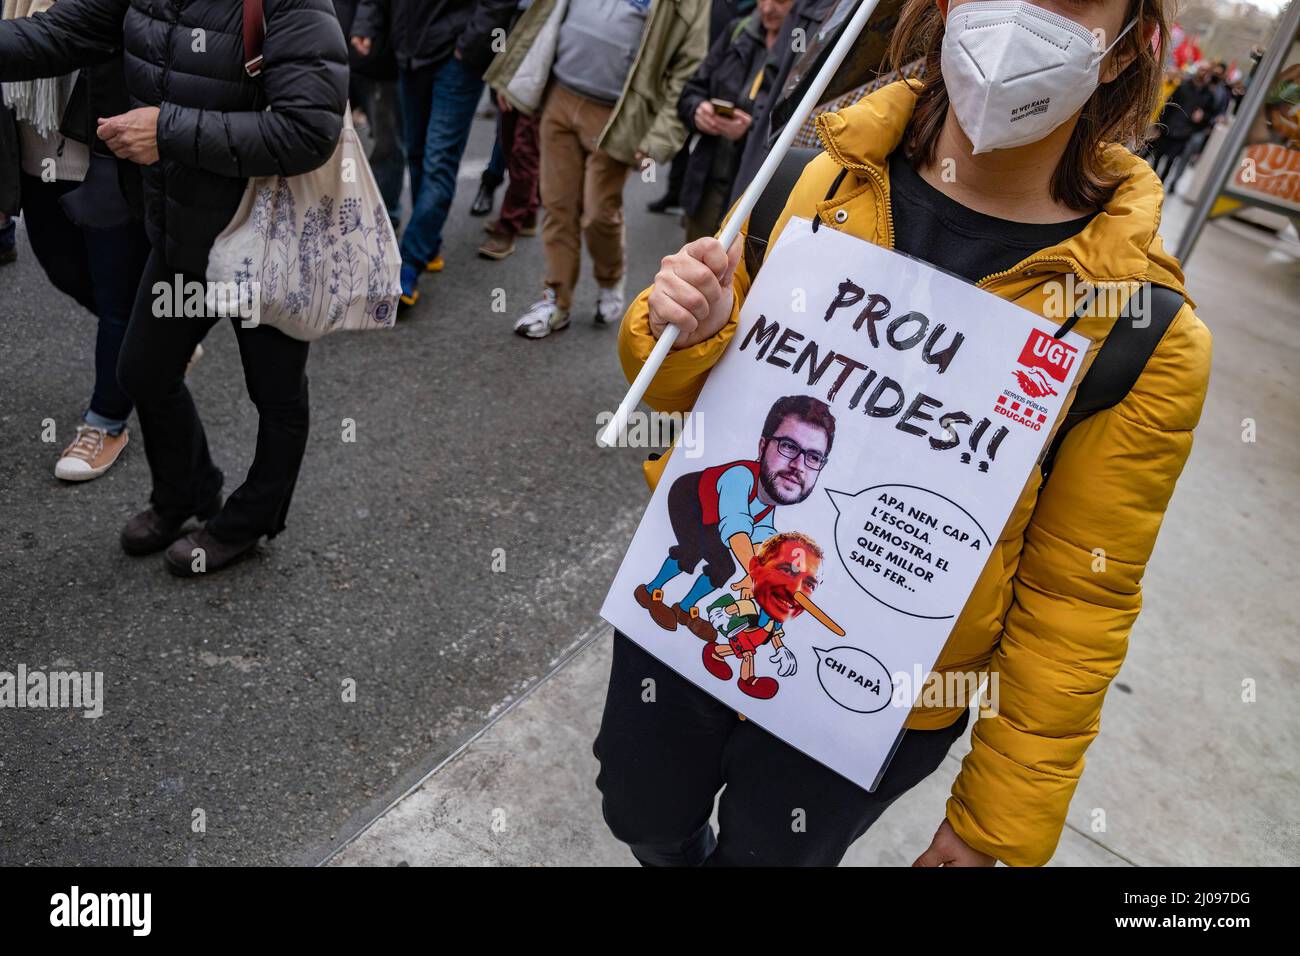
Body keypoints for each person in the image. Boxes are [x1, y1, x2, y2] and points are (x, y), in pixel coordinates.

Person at [598, 0, 1212, 866]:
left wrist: (990, 822)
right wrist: (681, 330)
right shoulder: (810, 180)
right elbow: (674, 406)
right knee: (640, 812)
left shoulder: (1141, 330)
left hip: (876, 695)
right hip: (696, 602)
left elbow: (1081, 595)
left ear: (1122, 52)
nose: (1020, 16)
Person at [0, 0, 348, 577]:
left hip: (264, 237)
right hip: (180, 231)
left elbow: (308, 127)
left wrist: (165, 132)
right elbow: (59, 33)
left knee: (276, 394)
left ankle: (248, 520)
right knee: (142, 370)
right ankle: (186, 493)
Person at [485, 0, 709, 339]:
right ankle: (556, 300)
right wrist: (512, 75)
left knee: (598, 212)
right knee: (558, 205)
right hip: (559, 95)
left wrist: (657, 138)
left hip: (618, 117)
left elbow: (687, 69)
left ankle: (610, 276)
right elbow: (539, 14)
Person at [2, 1, 151, 482]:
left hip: (106, 150)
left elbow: (50, 39)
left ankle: (105, 423)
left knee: (115, 294)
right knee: (59, 266)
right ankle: (152, 341)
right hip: (33, 144)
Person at [350, 0, 517, 307]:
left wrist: (471, 45)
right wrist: (366, 25)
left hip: (457, 60)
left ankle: (409, 263)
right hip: (410, 54)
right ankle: (429, 241)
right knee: (416, 153)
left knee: (438, 161)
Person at [634, 394, 834, 641]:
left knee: (724, 567)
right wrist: (757, 575)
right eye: (789, 446)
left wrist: (775, 575)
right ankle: (651, 590)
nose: (798, 465)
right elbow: (737, 531)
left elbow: (761, 543)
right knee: (692, 549)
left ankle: (684, 608)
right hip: (688, 499)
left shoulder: (767, 504)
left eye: (813, 457)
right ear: (762, 447)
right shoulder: (739, 477)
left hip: (713, 519)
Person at [677, 0, 793, 240]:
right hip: (708, 182)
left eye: (781, 1)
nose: (768, 8)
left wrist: (750, 131)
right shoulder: (737, 31)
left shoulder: (802, 50)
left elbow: (799, 130)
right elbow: (691, 90)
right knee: (694, 259)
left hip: (752, 195)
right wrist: (698, 111)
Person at [1150, 62, 1217, 195]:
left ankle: (1160, 184)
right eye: (1201, 69)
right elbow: (1168, 105)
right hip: (1169, 127)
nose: (1203, 72)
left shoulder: (1208, 95)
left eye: (1206, 70)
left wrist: (1203, 116)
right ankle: (1150, 181)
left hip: (1185, 132)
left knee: (1171, 160)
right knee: (1157, 156)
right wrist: (1159, 125)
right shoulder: (1183, 86)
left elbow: (1210, 116)